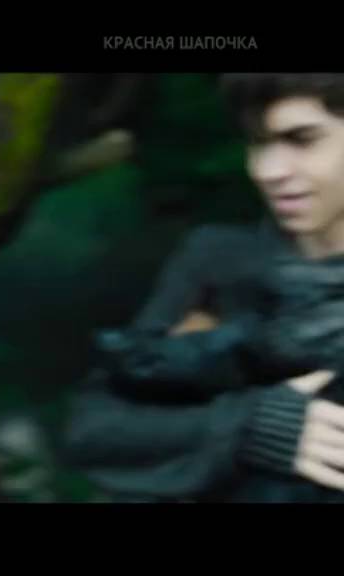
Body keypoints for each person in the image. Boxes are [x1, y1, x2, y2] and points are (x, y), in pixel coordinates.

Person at [64, 74, 344, 502]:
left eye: (302, 140)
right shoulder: (219, 260)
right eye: (257, 143)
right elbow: (93, 428)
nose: (268, 171)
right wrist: (249, 427)